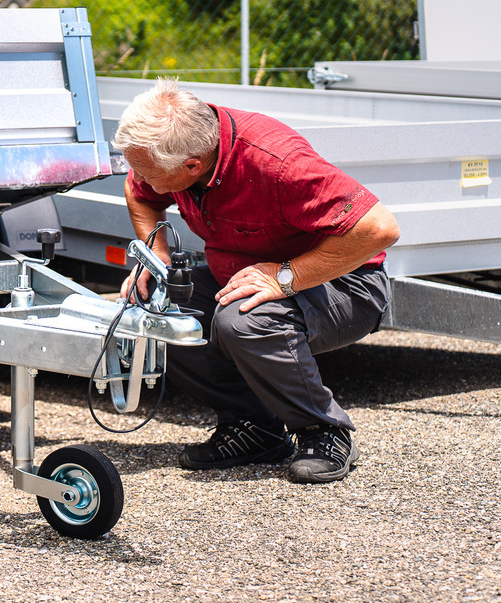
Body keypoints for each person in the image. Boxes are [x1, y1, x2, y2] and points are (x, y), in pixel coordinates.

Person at [113, 78, 400, 483]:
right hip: (245, 276)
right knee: (157, 309)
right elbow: (139, 192)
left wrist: (287, 275)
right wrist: (154, 254)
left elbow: (379, 229)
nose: (145, 179)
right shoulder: (178, 152)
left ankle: (324, 431)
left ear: (193, 165)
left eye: (151, 172)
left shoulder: (278, 164)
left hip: (345, 282)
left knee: (242, 322)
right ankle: (254, 428)